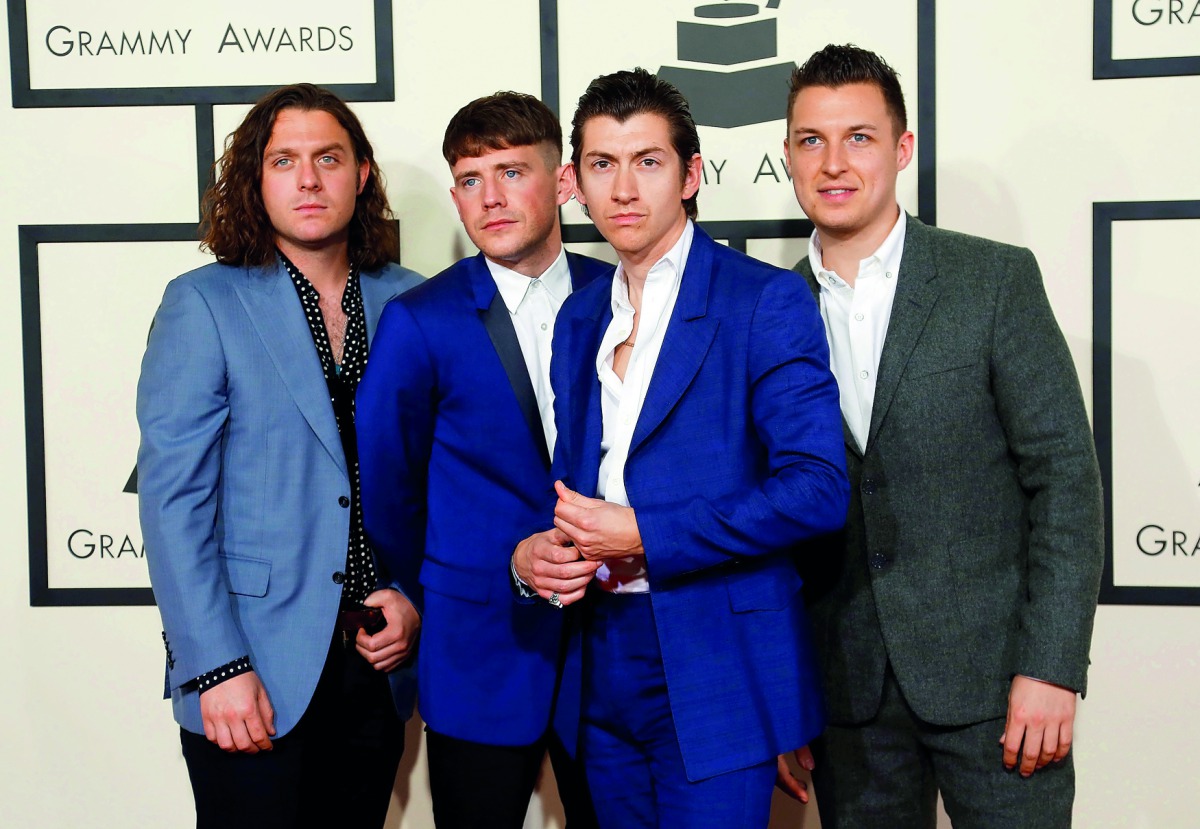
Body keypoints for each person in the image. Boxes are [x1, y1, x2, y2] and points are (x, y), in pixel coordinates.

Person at [514, 68, 849, 828]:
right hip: (595, 655)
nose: (624, 188)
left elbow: (818, 488)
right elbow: (573, 488)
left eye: (648, 161)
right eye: (602, 164)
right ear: (576, 184)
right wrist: (535, 555)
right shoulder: (577, 319)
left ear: (691, 174)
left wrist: (647, 533)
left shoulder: (762, 299)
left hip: (715, 656)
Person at [782, 44, 1104, 828]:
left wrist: (1051, 665)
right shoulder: (767, 310)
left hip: (1001, 690)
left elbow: (1065, 481)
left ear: (902, 149)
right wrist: (782, 701)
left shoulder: (991, 280)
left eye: (859, 137)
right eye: (811, 140)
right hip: (844, 699)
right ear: (787, 155)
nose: (833, 162)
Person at [137, 83, 423, 828]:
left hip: (375, 662)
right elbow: (174, 503)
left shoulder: (412, 301)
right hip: (252, 666)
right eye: (283, 160)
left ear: (361, 173)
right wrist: (217, 666)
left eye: (328, 158)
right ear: (256, 180)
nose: (308, 179)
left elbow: (441, 482)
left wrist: (412, 594)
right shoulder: (204, 303)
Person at [356, 92, 608, 829]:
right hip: (478, 646)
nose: (490, 198)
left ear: (563, 181)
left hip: (611, 649)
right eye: (470, 179)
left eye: (511, 172)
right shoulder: (419, 319)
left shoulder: (622, 296)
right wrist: (453, 581)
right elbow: (390, 487)